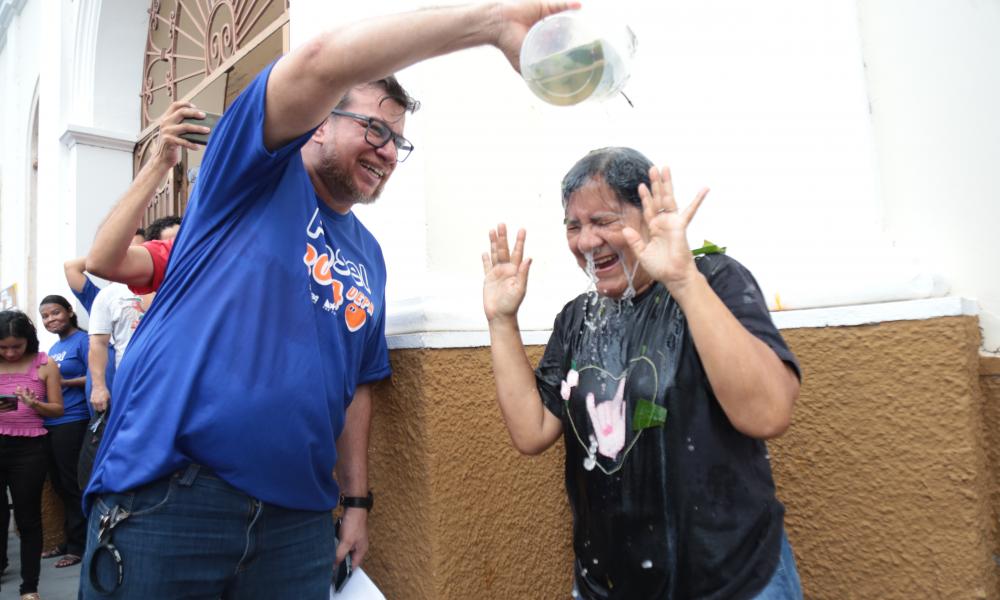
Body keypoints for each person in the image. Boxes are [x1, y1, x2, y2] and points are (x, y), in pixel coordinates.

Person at [79, 2, 579, 597]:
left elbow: (357, 386)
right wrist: (492, 25)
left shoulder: (369, 255)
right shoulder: (253, 175)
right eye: (375, 129)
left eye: (399, 142)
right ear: (318, 122)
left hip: (298, 521)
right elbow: (318, 62)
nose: (389, 151)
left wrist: (357, 501)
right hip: (175, 499)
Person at [481, 147, 804, 599]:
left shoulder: (714, 279)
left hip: (733, 582)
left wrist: (683, 280)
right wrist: (501, 321)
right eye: (574, 226)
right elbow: (531, 430)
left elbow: (769, 413)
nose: (587, 241)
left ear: (648, 215)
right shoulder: (578, 317)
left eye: (604, 220)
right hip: (610, 587)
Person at [0, 310, 64, 600]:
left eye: (17, 346)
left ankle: (29, 587)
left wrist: (33, 404)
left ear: (28, 341)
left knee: (28, 518)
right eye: (3, 347)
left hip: (29, 449)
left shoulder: (45, 364)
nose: (10, 353)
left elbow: (57, 409)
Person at [37, 296, 90, 568]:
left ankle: (80, 546)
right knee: (59, 485)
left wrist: (63, 381)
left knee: (72, 483)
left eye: (55, 313)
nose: (50, 319)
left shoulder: (83, 340)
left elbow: (97, 373)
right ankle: (70, 540)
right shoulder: (54, 348)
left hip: (74, 419)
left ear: (69, 311)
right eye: (45, 316)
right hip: (52, 422)